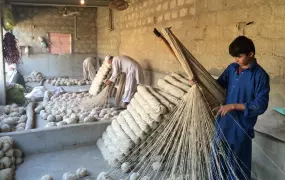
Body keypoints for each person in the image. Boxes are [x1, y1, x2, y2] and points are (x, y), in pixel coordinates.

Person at [191, 36, 270, 180]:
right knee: (218, 160)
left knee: (238, 166)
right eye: (234, 57)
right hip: (223, 123)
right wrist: (199, 82)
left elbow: (261, 105)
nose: (236, 60)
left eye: (239, 57)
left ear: (251, 54)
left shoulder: (260, 76)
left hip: (241, 128)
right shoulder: (232, 69)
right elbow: (217, 86)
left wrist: (233, 106)